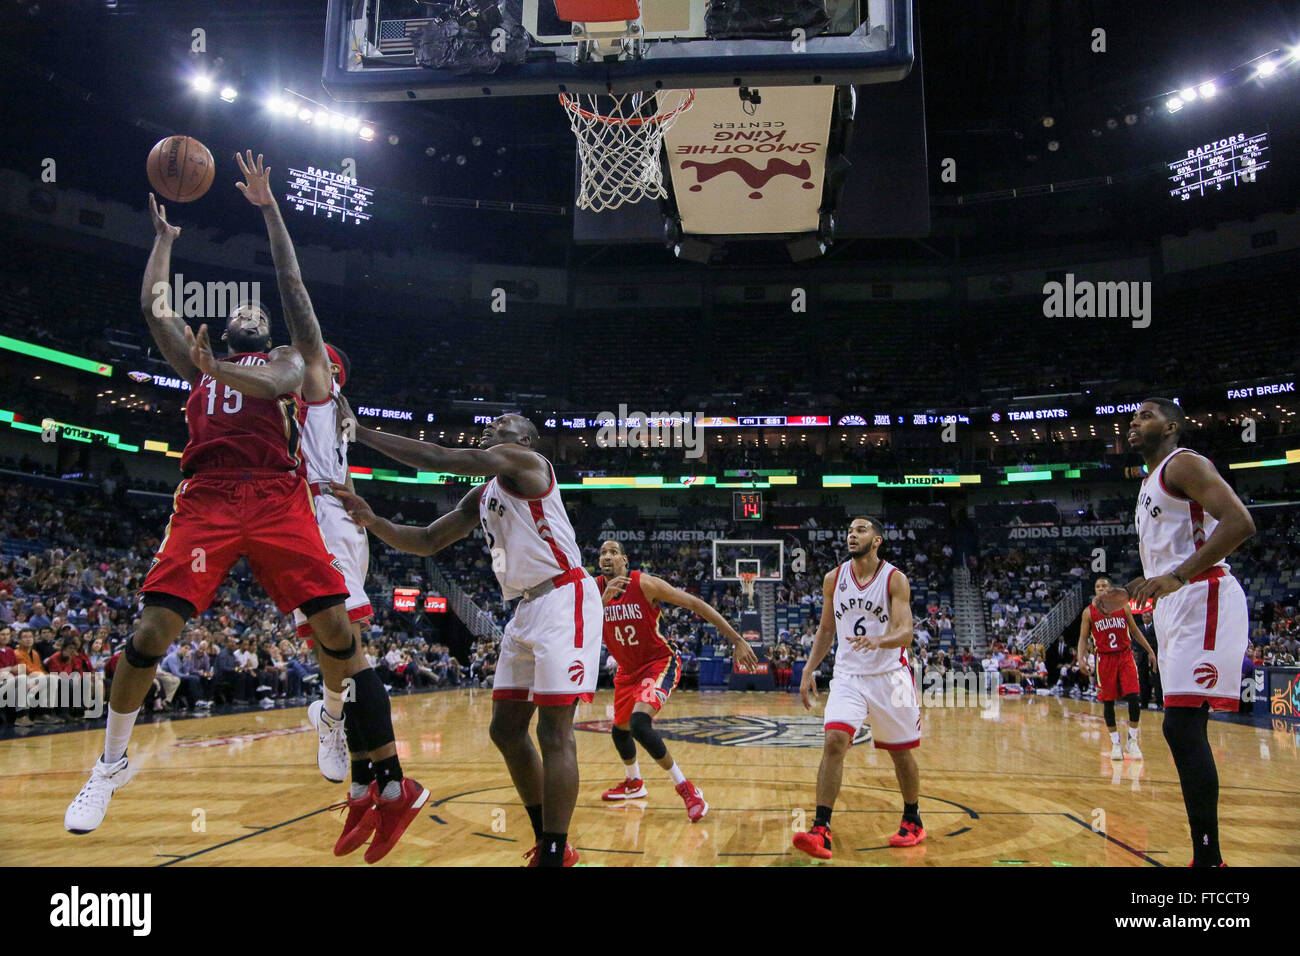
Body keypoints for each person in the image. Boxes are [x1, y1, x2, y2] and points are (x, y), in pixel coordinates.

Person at [63, 182, 362, 838]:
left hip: (277, 494)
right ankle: (110, 763)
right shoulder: (200, 364)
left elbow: (282, 382)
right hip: (207, 500)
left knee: (338, 629)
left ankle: (333, 719)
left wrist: (219, 371)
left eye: (260, 312)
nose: (253, 315)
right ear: (227, 329)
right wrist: (164, 243)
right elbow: (153, 307)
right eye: (242, 316)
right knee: (149, 635)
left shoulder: (280, 360)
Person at [228, 150, 425, 860]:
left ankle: (384, 774)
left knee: (348, 656)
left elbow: (294, 291)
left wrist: (271, 209)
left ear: (320, 368)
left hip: (327, 520)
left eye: (298, 350)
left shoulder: (313, 386)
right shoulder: (310, 403)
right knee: (334, 652)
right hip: (310, 518)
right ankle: (364, 786)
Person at [332, 411, 602, 867]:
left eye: (504, 423)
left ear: (526, 440)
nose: (493, 425)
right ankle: (549, 840)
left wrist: (359, 433)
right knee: (505, 730)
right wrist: (373, 521)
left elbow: (442, 456)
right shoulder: (484, 495)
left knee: (554, 731)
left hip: (564, 596)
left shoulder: (529, 464)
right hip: (526, 607)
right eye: (491, 424)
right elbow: (427, 540)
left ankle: (554, 852)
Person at [1116, 398, 1255, 867]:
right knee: (1180, 728)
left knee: (1182, 725)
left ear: (1172, 426)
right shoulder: (1149, 481)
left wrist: (1176, 576)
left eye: (1146, 415)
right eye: (1133, 418)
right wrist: (1152, 583)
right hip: (1174, 606)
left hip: (1204, 597)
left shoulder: (1184, 463)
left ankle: (1209, 860)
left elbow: (1240, 522)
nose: (1134, 422)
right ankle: (1207, 858)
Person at [594, 539, 758, 819]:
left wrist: (737, 640)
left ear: (624, 560)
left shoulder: (644, 584)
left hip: (658, 663)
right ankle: (634, 783)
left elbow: (695, 604)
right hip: (626, 670)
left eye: (613, 552)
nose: (607, 556)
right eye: (602, 553)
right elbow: (576, 624)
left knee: (639, 724)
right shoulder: (592, 590)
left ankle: (687, 789)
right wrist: (599, 604)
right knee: (619, 731)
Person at [793, 517, 925, 861]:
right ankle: (821, 829)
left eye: (861, 529)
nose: (853, 534)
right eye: (850, 530)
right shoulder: (833, 579)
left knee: (900, 753)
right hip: (849, 676)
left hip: (889, 675)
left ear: (877, 540)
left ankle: (912, 818)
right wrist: (809, 669)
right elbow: (825, 630)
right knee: (835, 740)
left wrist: (879, 640)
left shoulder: (895, 579)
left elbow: (906, 631)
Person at [1077, 576, 1157, 760]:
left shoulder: (1123, 606)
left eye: (1104, 585)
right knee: (1108, 702)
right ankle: (1115, 743)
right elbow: (1082, 638)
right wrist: (1080, 658)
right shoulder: (1088, 613)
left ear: (1111, 589)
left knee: (1134, 697)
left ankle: (1133, 740)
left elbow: (1135, 631)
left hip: (1124, 655)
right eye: (1098, 586)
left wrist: (1150, 650)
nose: (1101, 587)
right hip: (1104, 659)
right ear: (1095, 591)